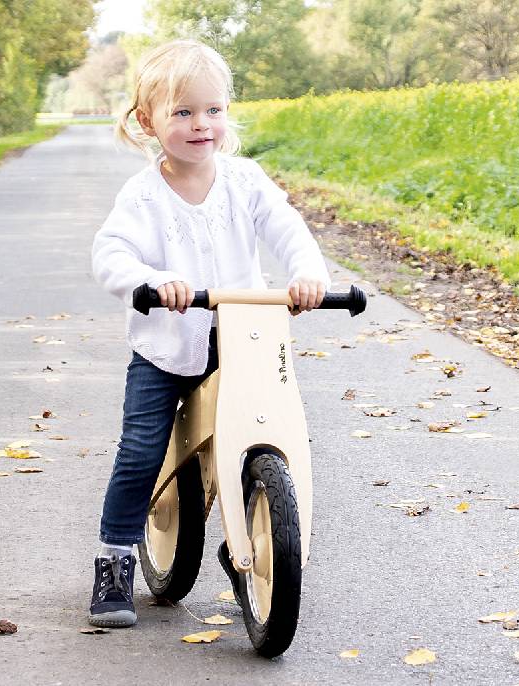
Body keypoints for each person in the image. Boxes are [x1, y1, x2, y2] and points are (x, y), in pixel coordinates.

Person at [88, 39, 331, 627]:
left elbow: (287, 228)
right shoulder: (144, 195)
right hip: (166, 347)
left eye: (213, 110)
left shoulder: (245, 181)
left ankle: (250, 529)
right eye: (183, 112)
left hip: (243, 341)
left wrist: (307, 273)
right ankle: (115, 559)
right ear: (147, 121)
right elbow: (110, 254)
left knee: (262, 426)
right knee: (141, 449)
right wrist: (153, 281)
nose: (201, 124)